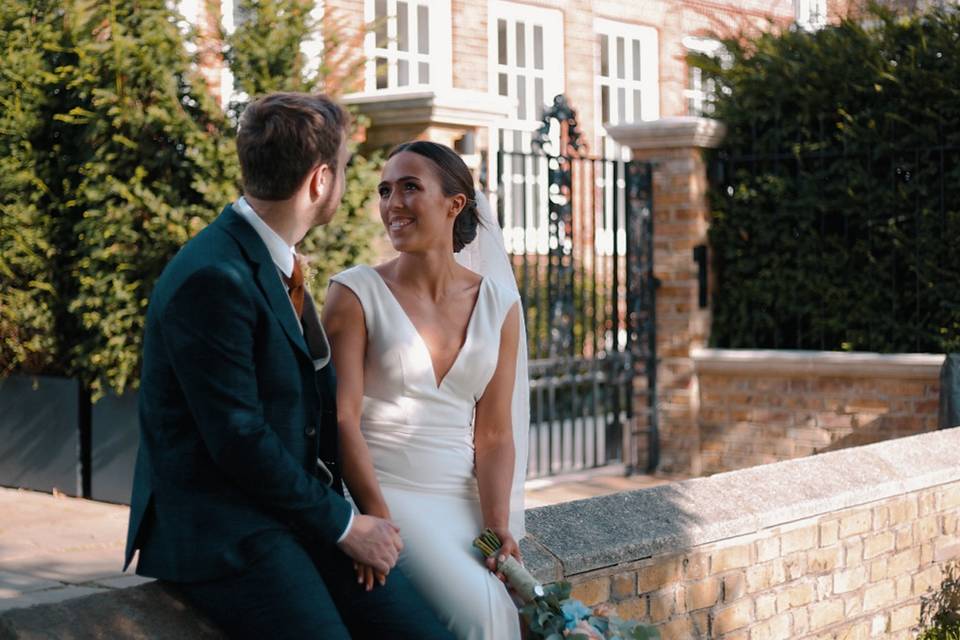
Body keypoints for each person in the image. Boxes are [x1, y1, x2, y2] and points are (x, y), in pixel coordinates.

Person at [123, 93, 453, 640]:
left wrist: (350, 520)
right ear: (321, 180)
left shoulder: (272, 257)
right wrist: (346, 525)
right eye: (346, 170)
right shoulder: (214, 276)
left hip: (294, 514)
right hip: (226, 529)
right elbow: (239, 439)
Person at [324, 141, 530, 640]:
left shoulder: (499, 305)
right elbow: (341, 417)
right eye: (385, 190)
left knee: (511, 608)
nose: (393, 204)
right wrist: (377, 518)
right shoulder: (353, 293)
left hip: (462, 498)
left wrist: (497, 523)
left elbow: (497, 432)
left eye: (410, 187)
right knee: (483, 615)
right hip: (388, 490)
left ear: (454, 203)